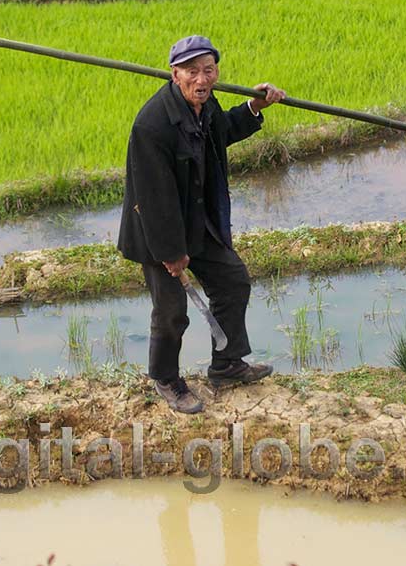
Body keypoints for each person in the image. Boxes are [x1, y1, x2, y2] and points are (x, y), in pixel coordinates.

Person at [117, 34, 286, 414]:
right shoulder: (152, 125)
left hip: (198, 222)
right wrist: (172, 254)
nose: (201, 79)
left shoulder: (206, 106)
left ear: (216, 72)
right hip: (158, 232)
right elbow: (154, 199)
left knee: (232, 280)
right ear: (174, 74)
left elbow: (221, 132)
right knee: (172, 310)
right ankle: (166, 378)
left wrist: (255, 107)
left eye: (208, 70)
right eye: (191, 71)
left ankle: (226, 364)